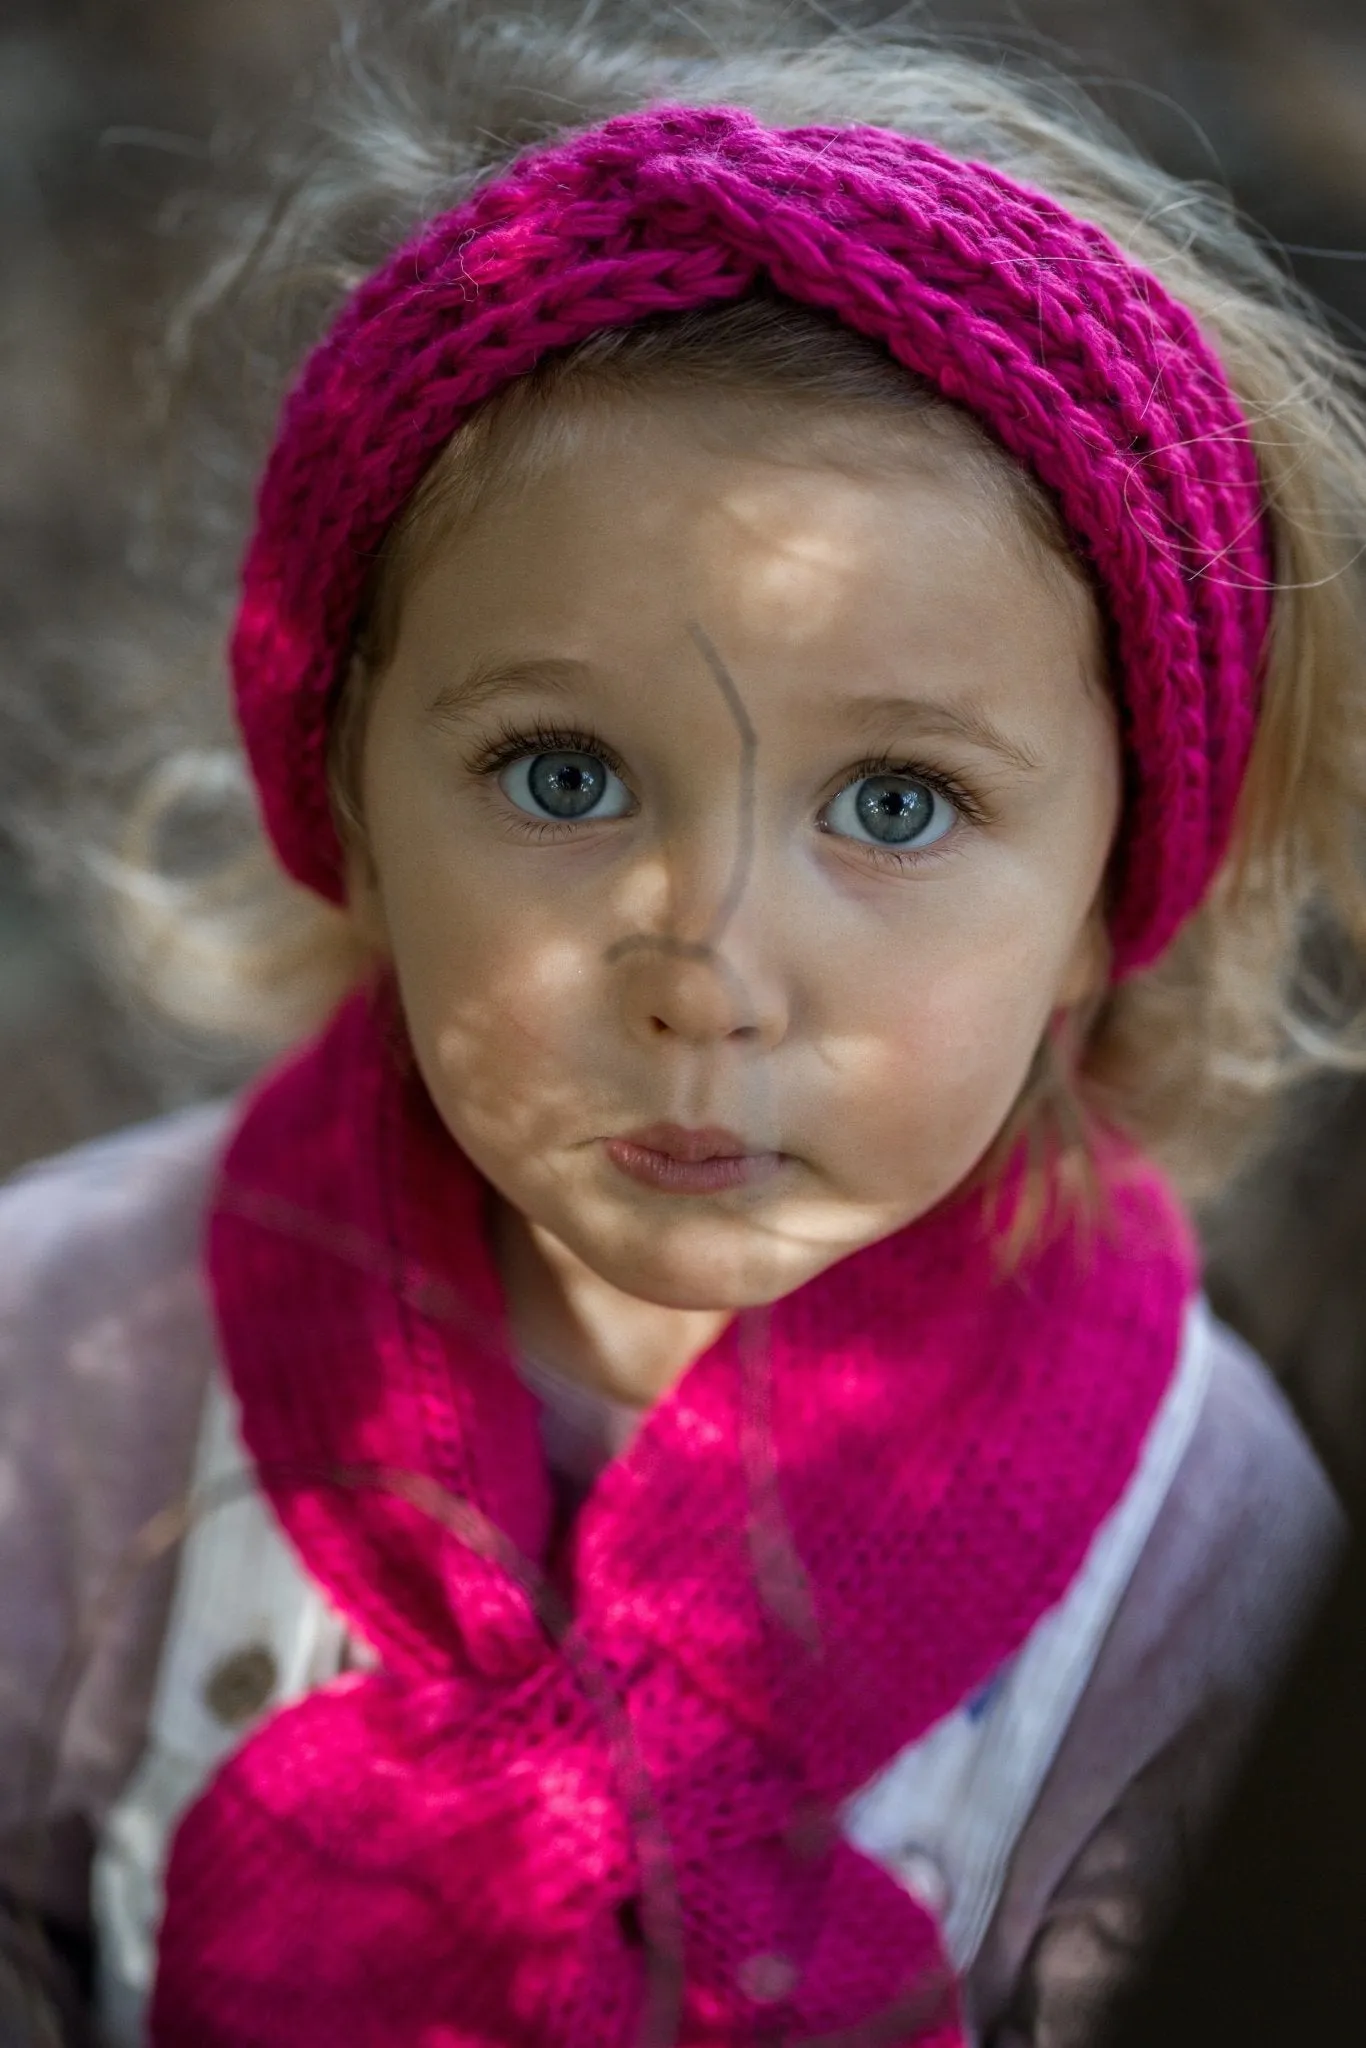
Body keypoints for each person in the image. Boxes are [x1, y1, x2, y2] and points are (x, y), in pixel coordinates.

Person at [1, 6, 1362, 2044]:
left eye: (895, 804)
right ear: (347, 795)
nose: (705, 966)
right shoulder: (78, 1351)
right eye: (561, 774)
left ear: (1100, 905)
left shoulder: (1199, 1560)